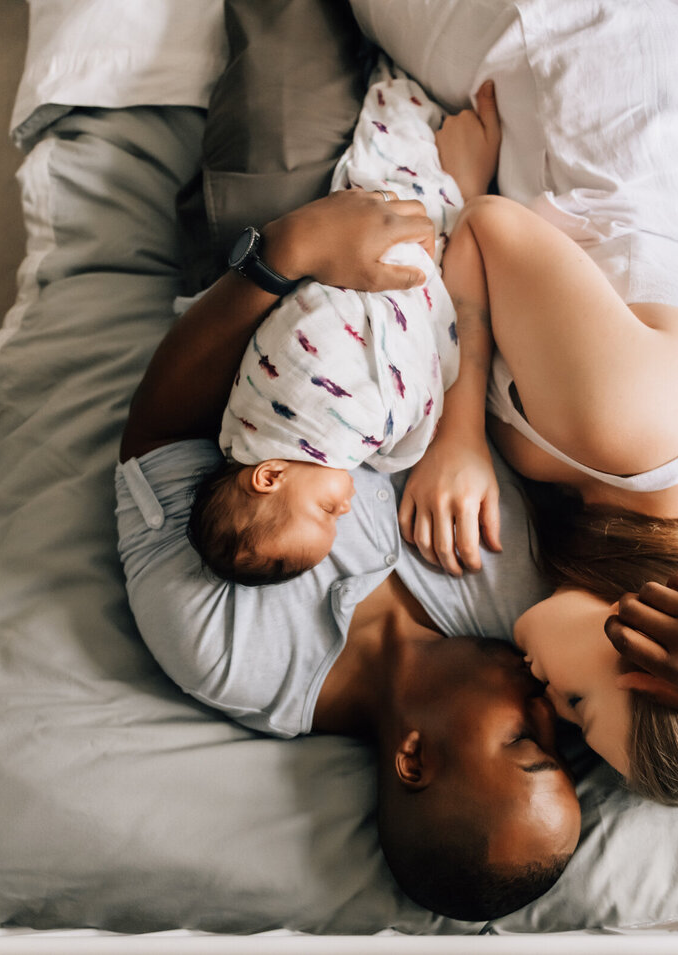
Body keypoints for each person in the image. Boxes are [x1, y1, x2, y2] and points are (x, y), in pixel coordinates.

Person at [398, 7, 678, 805]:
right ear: (652, 644)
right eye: (581, 709)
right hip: (598, 65)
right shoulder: (627, 431)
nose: (545, 706)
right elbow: (486, 227)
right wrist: (460, 432)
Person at [116, 187, 580, 921]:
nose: (550, 706)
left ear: (415, 759)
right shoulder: (524, 607)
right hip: (449, 250)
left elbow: (157, 440)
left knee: (286, 112)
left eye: (528, 740)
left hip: (264, 260)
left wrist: (287, 251)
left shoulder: (234, 653)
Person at [189, 63, 483, 586]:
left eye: (324, 513)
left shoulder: (284, 421)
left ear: (270, 475)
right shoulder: (320, 447)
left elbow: (311, 344)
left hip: (339, 252)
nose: (343, 513)